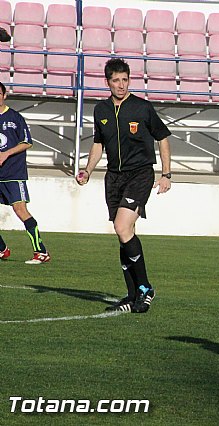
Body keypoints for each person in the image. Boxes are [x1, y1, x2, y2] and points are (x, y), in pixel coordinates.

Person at [75, 58, 172, 314]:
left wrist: (167, 174)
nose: (121, 85)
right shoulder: (101, 110)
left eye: (125, 79)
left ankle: (145, 289)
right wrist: (87, 170)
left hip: (140, 174)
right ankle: (132, 294)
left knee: (122, 226)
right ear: (107, 82)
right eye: (116, 80)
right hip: (114, 177)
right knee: (123, 234)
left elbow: (162, 138)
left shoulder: (142, 108)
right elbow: (98, 144)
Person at [0, 82, 51, 264]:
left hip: (13, 173)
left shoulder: (15, 118)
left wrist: (6, 153)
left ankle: (41, 252)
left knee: (20, 210)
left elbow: (27, 142)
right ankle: (2, 250)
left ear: (4, 95)